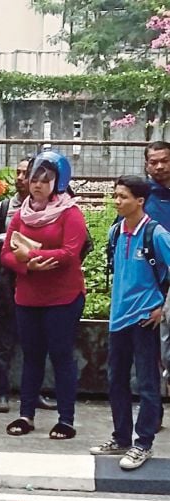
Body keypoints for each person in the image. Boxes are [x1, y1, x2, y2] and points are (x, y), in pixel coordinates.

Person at [1, 151, 86, 440]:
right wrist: (27, 265)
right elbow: (5, 254)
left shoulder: (70, 212)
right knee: (32, 357)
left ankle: (66, 419)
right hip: (27, 296)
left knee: (62, 356)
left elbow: (70, 253)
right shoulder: (22, 212)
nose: (36, 185)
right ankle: (26, 414)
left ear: (59, 182)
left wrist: (31, 255)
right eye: (33, 179)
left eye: (45, 180)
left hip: (63, 297)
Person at [91, 176, 170, 470]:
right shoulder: (116, 233)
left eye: (123, 196)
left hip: (144, 319)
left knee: (148, 383)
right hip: (119, 318)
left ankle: (143, 443)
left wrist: (161, 307)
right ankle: (121, 437)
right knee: (116, 380)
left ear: (140, 201)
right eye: (116, 195)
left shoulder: (156, 234)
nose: (117, 201)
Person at [0, 157, 30, 414]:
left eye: (27, 173)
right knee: (5, 338)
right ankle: (1, 393)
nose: (21, 178)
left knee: (33, 341)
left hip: (33, 281)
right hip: (5, 282)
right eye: (18, 172)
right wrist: (1, 242)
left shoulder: (46, 210)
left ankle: (32, 393)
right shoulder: (2, 208)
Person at [143, 141, 170, 398]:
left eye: (165, 160)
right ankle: (154, 411)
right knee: (152, 351)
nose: (160, 166)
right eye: (154, 162)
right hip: (152, 282)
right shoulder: (142, 196)